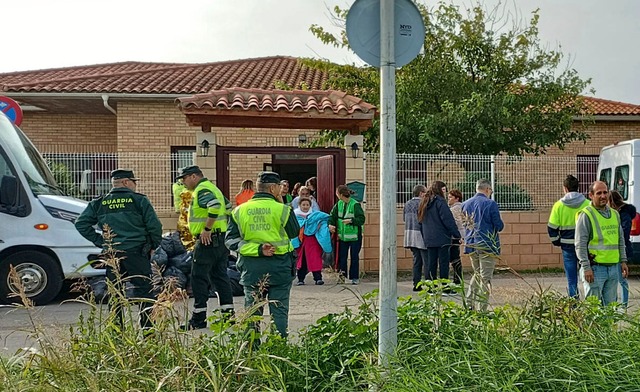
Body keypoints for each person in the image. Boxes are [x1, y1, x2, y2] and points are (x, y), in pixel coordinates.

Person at [75, 169, 162, 330]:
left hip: (112, 254)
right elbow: (155, 226)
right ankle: (148, 332)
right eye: (134, 182)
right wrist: (153, 245)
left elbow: (81, 224)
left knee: (115, 294)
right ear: (126, 182)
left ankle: (117, 332)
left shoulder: (99, 203)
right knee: (145, 292)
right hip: (137, 252)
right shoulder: (139, 201)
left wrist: (102, 241)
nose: (135, 185)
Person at [225, 171, 300, 338]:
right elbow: (294, 233)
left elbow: (230, 241)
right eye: (279, 187)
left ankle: (250, 351)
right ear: (273, 188)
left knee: (252, 312)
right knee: (279, 312)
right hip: (279, 267)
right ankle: (279, 349)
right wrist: (282, 204)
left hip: (251, 269)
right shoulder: (283, 210)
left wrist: (257, 249)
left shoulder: (238, 211)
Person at [177, 165, 235, 330]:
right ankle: (228, 316)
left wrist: (207, 230)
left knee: (198, 278)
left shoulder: (202, 189)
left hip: (207, 241)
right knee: (220, 277)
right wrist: (222, 230)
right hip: (220, 240)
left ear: (194, 176)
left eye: (184, 179)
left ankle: (198, 319)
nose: (183, 183)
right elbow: (228, 208)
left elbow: (215, 206)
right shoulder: (213, 187)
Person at [575, 181, 628, 306]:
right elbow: (580, 244)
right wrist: (586, 267)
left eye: (605, 192)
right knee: (593, 310)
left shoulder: (615, 214)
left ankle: (608, 327)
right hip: (595, 269)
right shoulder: (586, 215)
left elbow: (620, 240)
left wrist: (623, 261)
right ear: (591, 195)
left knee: (610, 309)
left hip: (613, 268)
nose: (603, 196)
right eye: (599, 193)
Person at [462, 179, 504, 311]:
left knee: (477, 274)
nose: (490, 193)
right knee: (485, 278)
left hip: (471, 243)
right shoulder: (490, 204)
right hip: (487, 244)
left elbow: (465, 224)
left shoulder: (465, 204)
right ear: (487, 189)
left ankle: (469, 303)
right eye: (490, 190)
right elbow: (499, 225)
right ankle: (482, 309)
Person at [547, 175, 590, 299]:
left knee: (572, 279)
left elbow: (551, 228)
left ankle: (574, 305)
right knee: (587, 275)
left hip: (567, 246)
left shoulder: (558, 205)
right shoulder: (588, 204)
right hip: (585, 246)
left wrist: (556, 242)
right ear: (578, 188)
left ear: (565, 188)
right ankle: (590, 303)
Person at [417, 181, 461, 291]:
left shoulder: (424, 202)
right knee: (443, 263)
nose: (445, 193)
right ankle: (445, 287)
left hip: (429, 238)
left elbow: (420, 221)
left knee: (431, 263)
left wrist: (424, 236)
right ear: (439, 189)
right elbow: (448, 220)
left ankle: (432, 287)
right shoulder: (440, 202)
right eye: (444, 190)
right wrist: (457, 235)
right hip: (442, 238)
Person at [328, 185, 366, 284]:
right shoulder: (339, 204)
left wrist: (351, 220)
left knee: (354, 257)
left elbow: (361, 219)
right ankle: (342, 276)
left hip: (355, 237)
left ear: (340, 194)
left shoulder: (355, 204)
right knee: (342, 257)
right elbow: (332, 215)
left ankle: (354, 278)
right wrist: (330, 224)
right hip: (343, 236)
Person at [292, 197, 332, 286]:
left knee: (315, 260)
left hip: (313, 242)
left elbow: (324, 221)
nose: (305, 207)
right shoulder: (295, 216)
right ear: (299, 205)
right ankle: (300, 279)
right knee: (302, 262)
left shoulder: (316, 215)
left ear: (310, 206)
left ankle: (318, 278)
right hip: (301, 243)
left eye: (307, 205)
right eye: (303, 205)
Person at [608, 189, 635, 307]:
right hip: (618, 249)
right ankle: (621, 304)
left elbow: (623, 233)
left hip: (621, 249)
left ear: (612, 202)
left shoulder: (623, 215)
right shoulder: (620, 214)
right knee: (618, 279)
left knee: (621, 279)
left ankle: (623, 305)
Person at [404, 185, 428, 292]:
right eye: (425, 192)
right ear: (421, 193)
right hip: (421, 234)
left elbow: (404, 218)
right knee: (426, 261)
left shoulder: (407, 203)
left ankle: (416, 284)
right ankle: (430, 284)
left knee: (416, 261)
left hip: (409, 234)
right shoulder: (422, 204)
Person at [447, 189, 465, 286]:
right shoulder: (464, 206)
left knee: (453, 257)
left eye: (450, 197)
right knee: (456, 256)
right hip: (461, 234)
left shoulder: (453, 209)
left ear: (456, 198)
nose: (448, 199)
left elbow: (455, 223)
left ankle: (457, 279)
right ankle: (458, 278)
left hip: (454, 235)